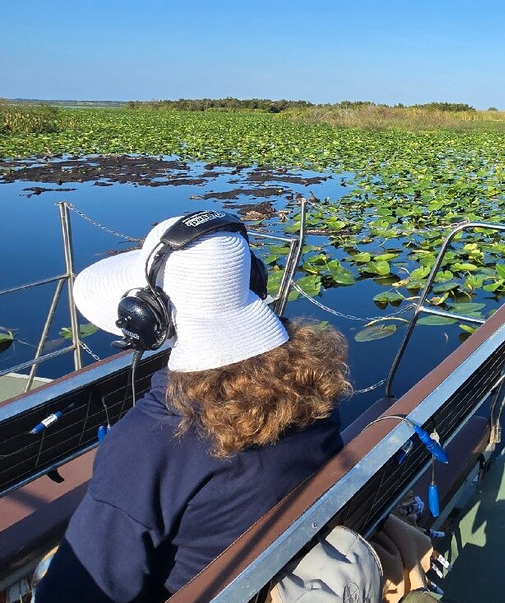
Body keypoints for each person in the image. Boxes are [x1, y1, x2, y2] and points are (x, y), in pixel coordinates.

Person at [34, 211, 352, 603]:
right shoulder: (315, 390)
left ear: (150, 317)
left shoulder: (149, 446)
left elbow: (73, 595)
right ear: (252, 281)